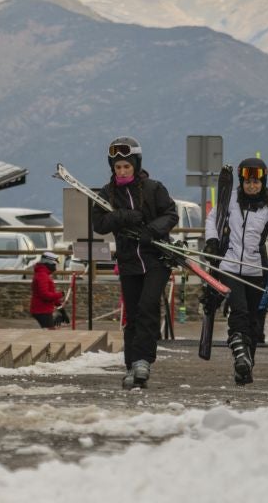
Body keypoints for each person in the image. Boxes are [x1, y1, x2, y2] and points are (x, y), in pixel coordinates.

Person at [92, 136, 178, 390]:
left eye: (126, 166)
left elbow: (171, 214)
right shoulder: (107, 194)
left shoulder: (154, 188)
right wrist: (123, 216)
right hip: (129, 261)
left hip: (155, 259)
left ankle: (143, 361)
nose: (122, 171)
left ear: (136, 165)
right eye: (117, 167)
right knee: (132, 314)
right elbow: (99, 224)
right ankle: (131, 366)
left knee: (147, 306)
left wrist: (152, 230)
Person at [204, 157, 268, 385]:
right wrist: (212, 240)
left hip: (256, 269)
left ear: (263, 182)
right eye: (248, 182)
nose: (252, 186)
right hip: (229, 266)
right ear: (241, 181)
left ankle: (246, 365)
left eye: (257, 182)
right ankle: (239, 355)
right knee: (239, 312)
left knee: (254, 322)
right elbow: (212, 218)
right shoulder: (231, 200)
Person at [30, 252, 64, 329]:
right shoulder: (42, 275)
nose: (55, 267)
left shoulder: (44, 274)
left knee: (50, 332)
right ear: (48, 263)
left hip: (44, 310)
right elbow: (45, 295)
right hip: (41, 310)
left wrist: (61, 308)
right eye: (54, 265)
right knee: (50, 333)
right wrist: (61, 294)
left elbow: (50, 293)